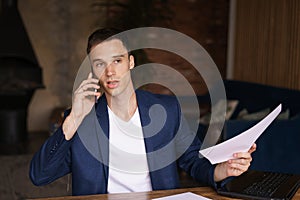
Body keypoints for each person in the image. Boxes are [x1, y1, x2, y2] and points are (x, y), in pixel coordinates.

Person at [29, 28, 256, 196]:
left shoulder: (166, 110)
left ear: (131, 62)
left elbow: (192, 161)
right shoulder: (81, 120)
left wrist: (222, 170)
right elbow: (40, 176)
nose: (110, 72)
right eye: (100, 64)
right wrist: (74, 119)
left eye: (117, 60)